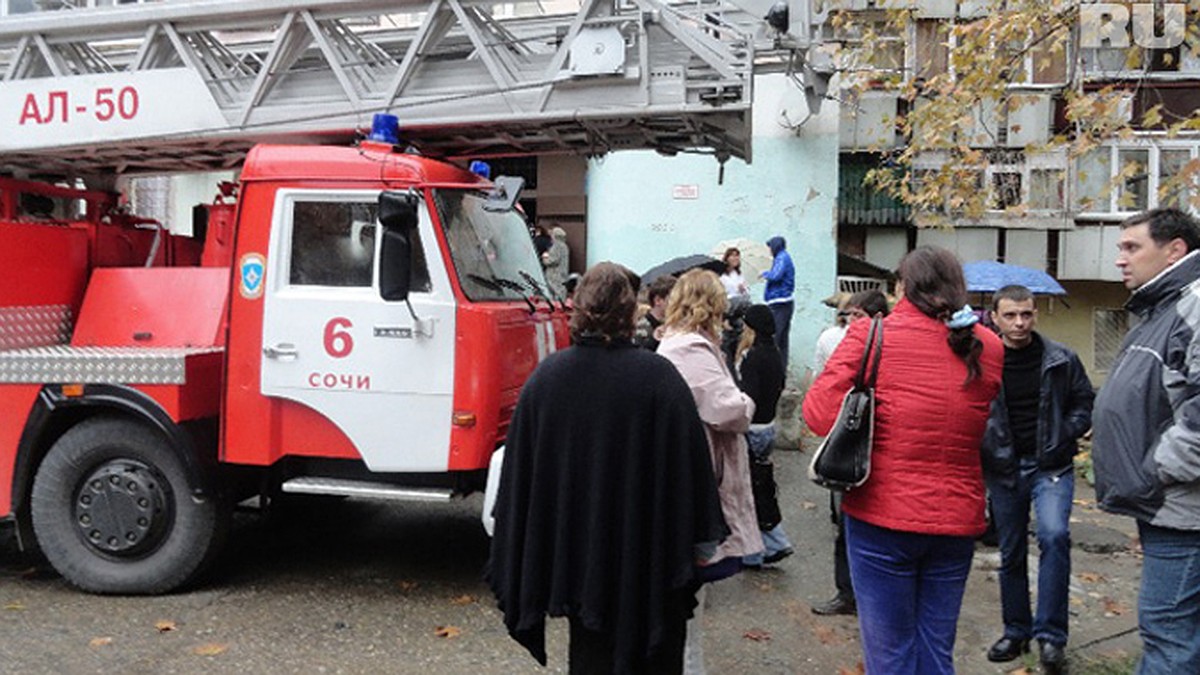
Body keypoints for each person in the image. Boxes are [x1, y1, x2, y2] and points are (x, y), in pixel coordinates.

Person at [487, 262, 729, 675]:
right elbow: (690, 476)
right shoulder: (660, 379)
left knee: (590, 654)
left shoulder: (546, 380)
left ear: (578, 309)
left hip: (579, 563)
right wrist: (699, 548)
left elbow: (520, 484)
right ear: (630, 312)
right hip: (649, 563)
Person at [802, 246, 1003, 675]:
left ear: (903, 287)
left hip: (881, 517)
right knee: (935, 648)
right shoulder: (987, 345)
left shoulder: (870, 336)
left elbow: (818, 416)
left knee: (890, 652)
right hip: (956, 519)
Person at [1091, 208, 1200, 674]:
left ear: (1175, 249)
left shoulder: (1192, 304)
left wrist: (1153, 473)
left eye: (1132, 247)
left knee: (1168, 637)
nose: (1120, 259)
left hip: (1181, 510)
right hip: (1164, 506)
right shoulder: (1159, 308)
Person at [981, 285, 1094, 673]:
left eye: (1026, 314)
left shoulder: (1060, 358)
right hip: (1004, 466)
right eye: (1010, 315)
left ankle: (1050, 638)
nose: (1019, 323)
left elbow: (1084, 402)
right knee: (1011, 551)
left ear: (1035, 315)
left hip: (1051, 465)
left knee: (1054, 536)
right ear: (994, 317)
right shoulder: (982, 360)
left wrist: (1066, 431)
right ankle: (1016, 631)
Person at [657, 269, 761, 675]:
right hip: (704, 472)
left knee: (692, 604)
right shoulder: (689, 350)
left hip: (697, 468)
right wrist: (746, 402)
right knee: (691, 606)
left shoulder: (682, 344)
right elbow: (726, 409)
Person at [811, 288, 890, 618]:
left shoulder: (888, 345)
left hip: (876, 443)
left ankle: (869, 596)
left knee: (871, 526)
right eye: (849, 316)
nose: (851, 323)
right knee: (843, 521)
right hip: (845, 436)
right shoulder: (836, 341)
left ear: (877, 318)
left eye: (858, 316)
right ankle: (847, 592)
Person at [736, 304, 793, 568]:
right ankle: (767, 544)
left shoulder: (752, 356)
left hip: (752, 428)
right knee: (761, 486)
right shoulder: (775, 354)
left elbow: (749, 395)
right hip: (768, 427)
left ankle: (765, 546)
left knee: (750, 492)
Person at [760, 236, 795, 368]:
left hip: (780, 301)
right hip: (783, 302)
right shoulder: (783, 257)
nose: (769, 250)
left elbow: (776, 275)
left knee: (775, 337)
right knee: (782, 340)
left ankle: (772, 369)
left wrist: (765, 274)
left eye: (770, 247)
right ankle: (781, 370)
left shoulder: (781, 258)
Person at [634, 275, 676, 351]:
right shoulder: (641, 330)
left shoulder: (674, 325)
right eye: (673, 299)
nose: (679, 303)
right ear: (658, 300)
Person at [541, 225, 570, 298]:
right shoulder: (565, 246)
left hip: (555, 274)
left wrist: (545, 258)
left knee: (555, 292)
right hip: (562, 273)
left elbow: (553, 260)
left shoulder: (556, 246)